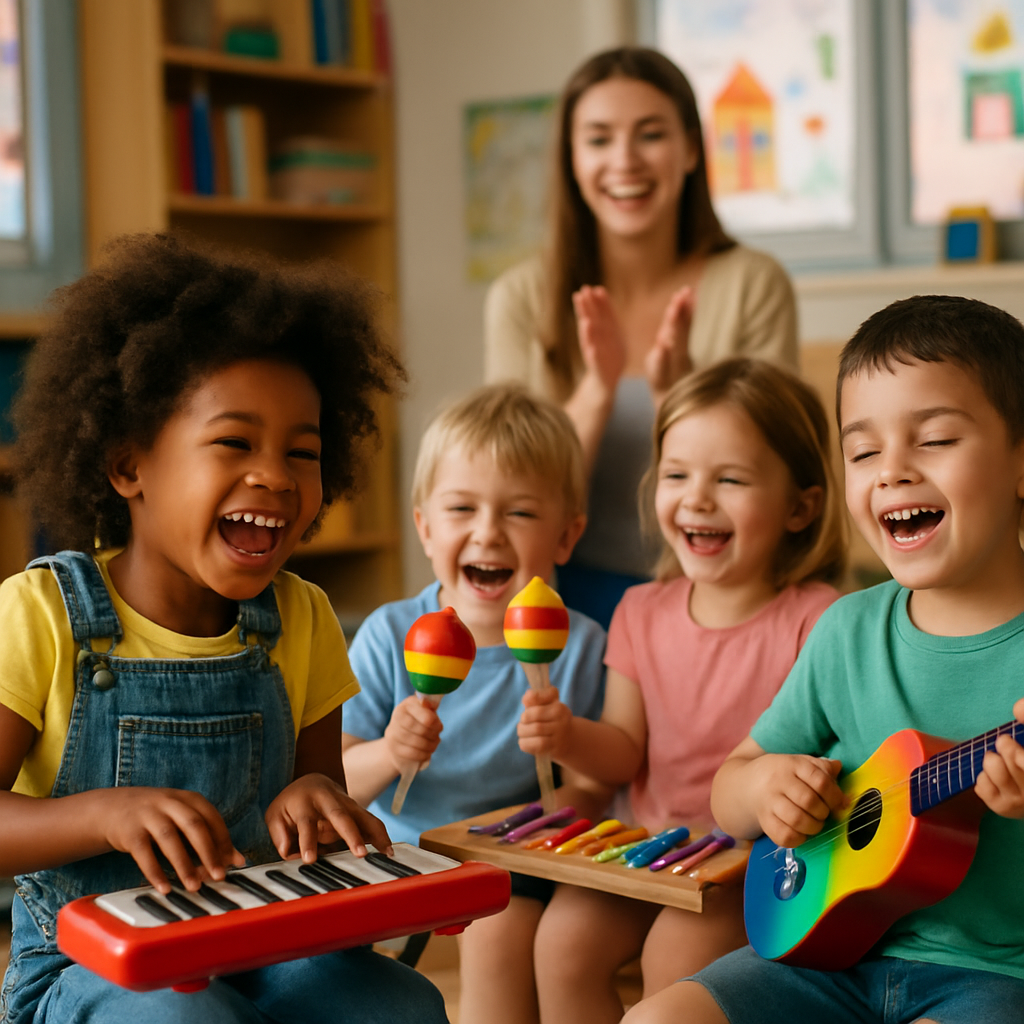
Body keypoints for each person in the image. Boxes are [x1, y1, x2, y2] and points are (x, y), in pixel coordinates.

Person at [0, 234, 449, 1024]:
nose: (275, 474)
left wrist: (318, 801)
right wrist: (104, 813)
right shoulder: (43, 616)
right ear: (128, 463)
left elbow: (316, 789)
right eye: (235, 442)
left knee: (397, 1004)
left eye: (302, 452)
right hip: (86, 967)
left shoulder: (301, 617)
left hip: (262, 943)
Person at [625, 295, 1024, 1024]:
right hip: (828, 957)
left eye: (933, 439)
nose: (892, 472)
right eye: (864, 451)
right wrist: (766, 788)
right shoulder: (847, 631)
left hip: (995, 977)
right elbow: (731, 788)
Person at [519, 358, 845, 1023]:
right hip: (643, 848)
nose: (696, 499)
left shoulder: (821, 618)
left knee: (673, 962)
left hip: (744, 869)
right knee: (559, 943)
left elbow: (837, 765)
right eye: (676, 476)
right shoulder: (640, 609)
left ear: (800, 506)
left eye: (729, 479)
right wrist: (567, 737)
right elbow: (623, 752)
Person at [484, 47, 799, 628]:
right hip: (554, 598)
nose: (625, 160)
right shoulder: (520, 297)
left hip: (715, 597)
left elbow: (779, 474)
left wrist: (680, 398)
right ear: (572, 159)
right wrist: (596, 392)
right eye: (599, 139)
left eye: (650, 135)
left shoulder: (753, 284)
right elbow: (507, 493)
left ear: (689, 150)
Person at [342, 384, 610, 1024]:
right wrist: (389, 750)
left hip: (516, 862)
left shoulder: (579, 646)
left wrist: (563, 771)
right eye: (462, 508)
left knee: (497, 927)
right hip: (395, 853)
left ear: (567, 536)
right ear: (425, 527)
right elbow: (337, 784)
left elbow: (597, 790)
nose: (487, 532)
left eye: (519, 513)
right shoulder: (388, 635)